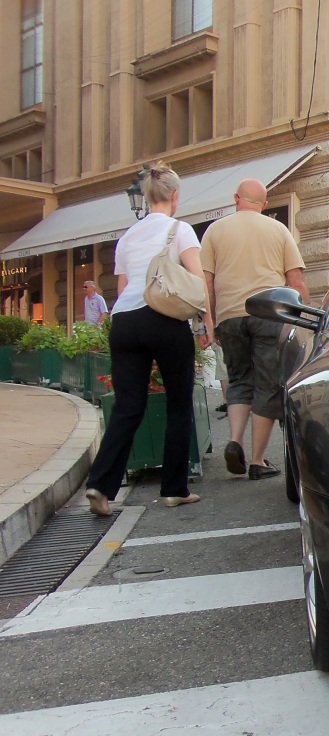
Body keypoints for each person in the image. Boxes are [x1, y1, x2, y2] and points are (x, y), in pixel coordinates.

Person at [84, 162, 203, 515]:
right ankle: (173, 488)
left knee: (127, 407)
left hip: (124, 321)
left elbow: (122, 289)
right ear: (175, 196)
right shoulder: (180, 230)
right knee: (179, 403)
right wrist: (205, 321)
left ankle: (100, 486)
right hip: (163, 319)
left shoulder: (127, 237)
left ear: (147, 196)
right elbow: (196, 280)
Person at [201, 178, 308, 479]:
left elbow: (206, 281)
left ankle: (234, 440)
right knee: (267, 384)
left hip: (230, 315)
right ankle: (258, 461)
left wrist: (210, 320)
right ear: (264, 204)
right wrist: (306, 319)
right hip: (268, 312)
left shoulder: (215, 230)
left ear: (236, 198)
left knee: (238, 380)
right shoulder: (278, 229)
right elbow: (295, 280)